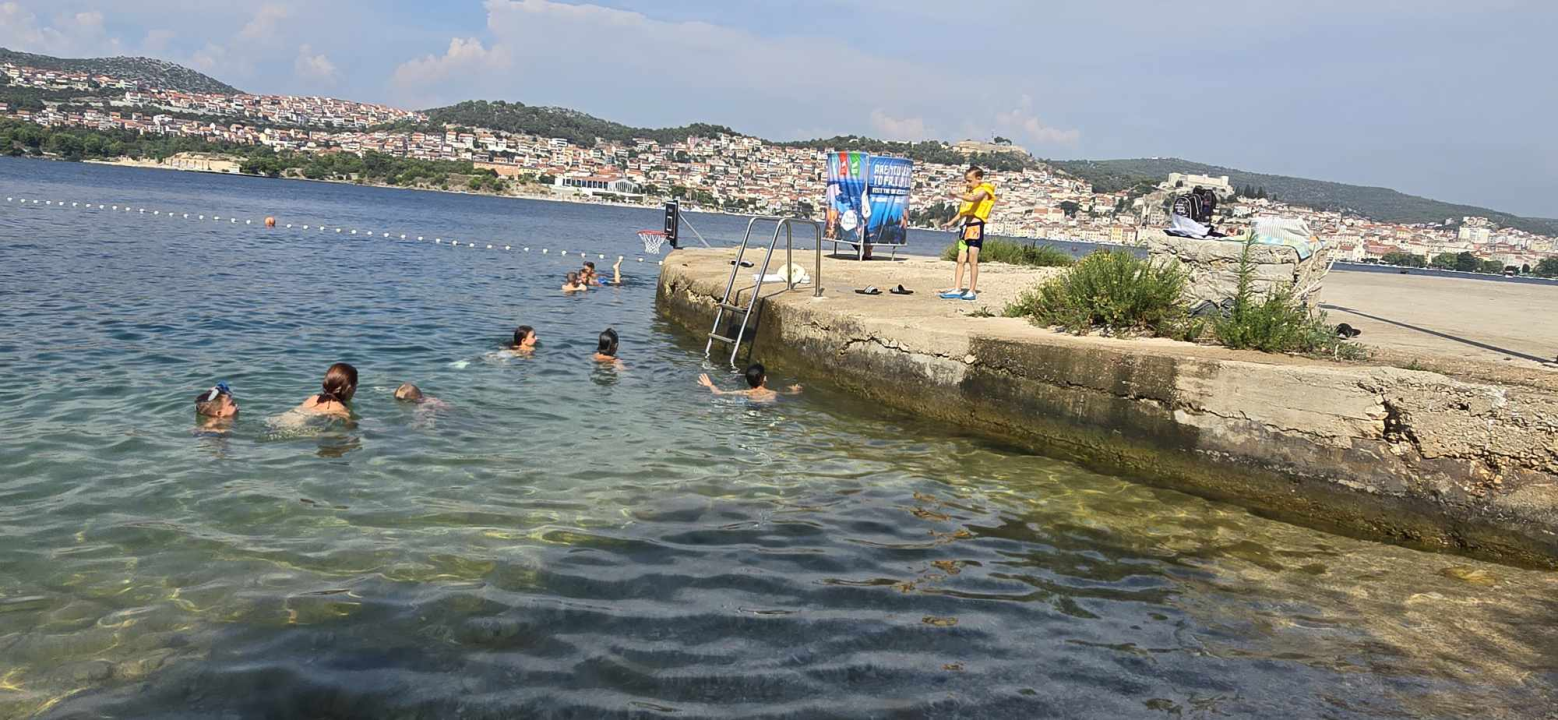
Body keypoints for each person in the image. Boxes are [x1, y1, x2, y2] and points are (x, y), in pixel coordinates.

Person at [939, 166, 997, 301]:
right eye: (966, 181)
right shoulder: (969, 193)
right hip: (965, 227)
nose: (967, 184)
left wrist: (957, 195)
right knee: (960, 260)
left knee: (972, 260)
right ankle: (957, 288)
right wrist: (951, 222)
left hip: (976, 227)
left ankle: (971, 290)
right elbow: (963, 212)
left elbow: (975, 198)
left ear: (979, 179)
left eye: (969, 181)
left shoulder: (984, 191)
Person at [697, 363, 801, 402]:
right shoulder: (773, 393)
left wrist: (710, 385)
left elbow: (718, 393)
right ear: (764, 378)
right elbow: (790, 395)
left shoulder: (743, 392)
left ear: (747, 381)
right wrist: (795, 390)